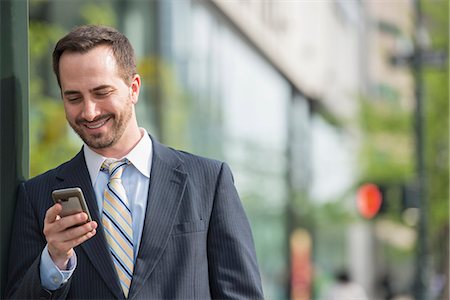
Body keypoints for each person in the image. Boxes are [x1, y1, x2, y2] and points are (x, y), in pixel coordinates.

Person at [5, 24, 264, 299]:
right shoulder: (36, 197)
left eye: (101, 92)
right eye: (74, 97)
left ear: (134, 88)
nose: (89, 112)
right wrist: (54, 259)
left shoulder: (209, 182)